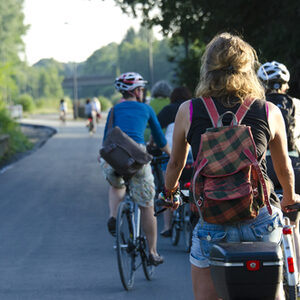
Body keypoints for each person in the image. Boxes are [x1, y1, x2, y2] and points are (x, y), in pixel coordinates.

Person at [161, 32, 300, 300]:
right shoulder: (269, 111)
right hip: (260, 217)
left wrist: (169, 194)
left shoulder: (187, 111)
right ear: (249, 70)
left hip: (213, 221)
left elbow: (176, 163)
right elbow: (284, 169)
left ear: (207, 69)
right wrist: (290, 197)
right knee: (273, 292)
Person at [100, 72, 171, 266]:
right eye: (140, 88)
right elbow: (160, 138)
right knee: (147, 205)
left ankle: (113, 216)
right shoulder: (146, 109)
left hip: (116, 155)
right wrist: (171, 154)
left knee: (116, 185)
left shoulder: (114, 110)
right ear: (137, 91)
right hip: (137, 155)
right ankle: (152, 252)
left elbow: (107, 136)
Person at [257, 61, 300, 292]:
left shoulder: (259, 107)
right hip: (295, 166)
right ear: (285, 84)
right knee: (293, 225)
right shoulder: (297, 104)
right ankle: (298, 279)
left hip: (268, 168)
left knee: (269, 217)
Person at [156, 86, 193, 237]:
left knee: (168, 189)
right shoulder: (193, 108)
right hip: (192, 156)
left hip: (171, 155)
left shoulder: (168, 110)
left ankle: (167, 226)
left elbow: (157, 131)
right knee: (192, 188)